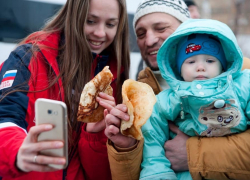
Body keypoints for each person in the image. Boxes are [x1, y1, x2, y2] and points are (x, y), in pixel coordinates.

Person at [105, 0, 250, 180]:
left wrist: (193, 154)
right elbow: (140, 169)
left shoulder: (243, 76)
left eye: (160, 28)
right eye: (141, 33)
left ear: (184, 29)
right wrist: (126, 147)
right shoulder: (139, 95)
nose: (149, 40)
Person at [0, 0, 130, 179]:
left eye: (110, 24)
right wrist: (17, 153)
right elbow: (6, 120)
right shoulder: (28, 58)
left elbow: (98, 174)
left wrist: (94, 135)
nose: (100, 33)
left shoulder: (115, 79)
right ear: (74, 17)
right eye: (90, 21)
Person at [141, 19, 250, 180]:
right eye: (191, 61)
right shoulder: (169, 100)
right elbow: (152, 136)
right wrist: (158, 173)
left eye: (210, 60)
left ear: (223, 65)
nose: (200, 67)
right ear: (179, 69)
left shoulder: (242, 85)